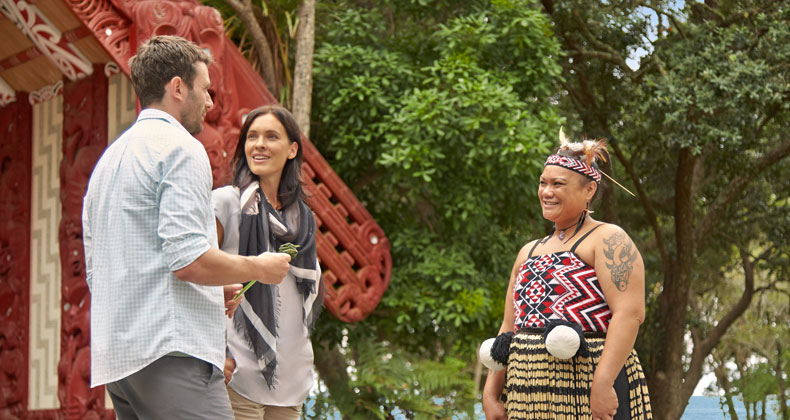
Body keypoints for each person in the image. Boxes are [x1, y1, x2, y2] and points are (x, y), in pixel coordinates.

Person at [82, 36, 292, 419]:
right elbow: (188, 260)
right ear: (178, 87)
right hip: (173, 354)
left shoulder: (107, 162)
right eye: (205, 89)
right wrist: (259, 267)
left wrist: (215, 290)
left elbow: (103, 270)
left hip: (120, 361)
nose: (210, 102)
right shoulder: (180, 147)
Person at [482, 137, 652, 420]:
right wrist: (491, 392)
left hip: (588, 388)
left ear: (589, 190)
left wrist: (603, 383)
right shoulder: (528, 252)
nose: (547, 192)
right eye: (542, 183)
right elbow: (508, 327)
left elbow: (630, 313)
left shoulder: (608, 239)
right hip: (527, 396)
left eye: (558, 184)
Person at [213, 105, 324, 420]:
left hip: (290, 380)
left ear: (292, 149)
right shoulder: (226, 205)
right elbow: (196, 276)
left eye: (271, 136)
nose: (258, 144)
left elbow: (304, 296)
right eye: (252, 136)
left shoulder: (303, 220)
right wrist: (215, 351)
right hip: (238, 373)